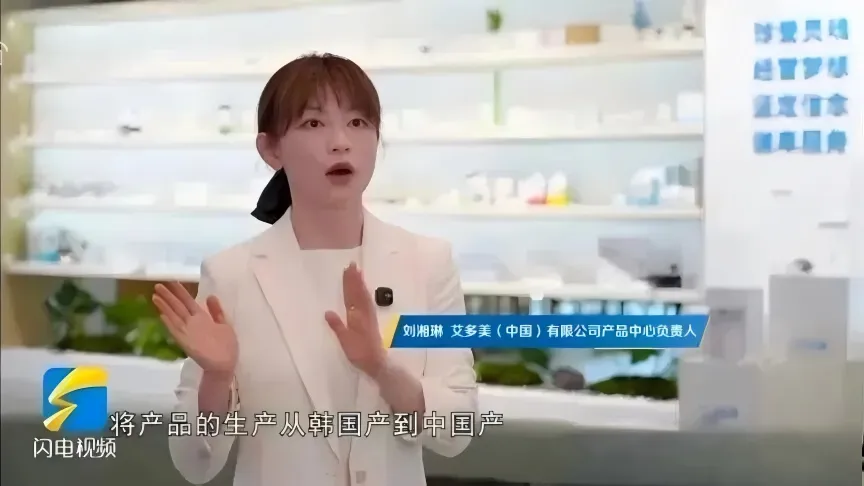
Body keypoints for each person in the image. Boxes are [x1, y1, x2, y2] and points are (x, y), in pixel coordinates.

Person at [151, 53, 478, 486]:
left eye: (358, 122)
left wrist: (382, 369)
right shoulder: (232, 274)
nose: (341, 142)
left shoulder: (427, 263)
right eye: (313, 123)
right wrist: (217, 377)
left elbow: (458, 428)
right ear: (271, 149)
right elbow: (193, 463)